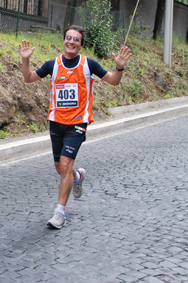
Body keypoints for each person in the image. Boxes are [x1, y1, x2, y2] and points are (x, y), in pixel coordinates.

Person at [20, 25, 132, 229]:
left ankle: (59, 213)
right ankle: (77, 176)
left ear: (81, 44)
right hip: (56, 122)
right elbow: (28, 78)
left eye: (76, 39)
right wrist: (25, 59)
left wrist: (120, 67)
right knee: (61, 169)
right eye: (68, 38)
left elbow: (114, 82)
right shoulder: (52, 65)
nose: (71, 42)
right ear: (64, 41)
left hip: (78, 123)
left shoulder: (88, 64)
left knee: (64, 165)